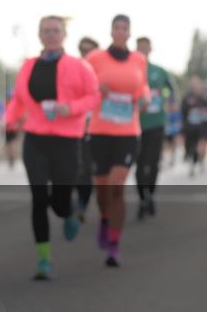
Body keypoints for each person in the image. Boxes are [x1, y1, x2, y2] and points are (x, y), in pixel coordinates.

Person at [5, 16, 100, 280]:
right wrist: (9, 120)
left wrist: (70, 108)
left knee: (58, 202)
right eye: (46, 31)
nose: (50, 35)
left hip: (67, 140)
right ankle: (44, 259)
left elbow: (93, 97)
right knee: (38, 198)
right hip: (35, 138)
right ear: (39, 35)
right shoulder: (28, 65)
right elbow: (18, 99)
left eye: (55, 31)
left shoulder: (79, 67)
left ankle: (68, 213)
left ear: (64, 35)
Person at [85, 15, 149, 267]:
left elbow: (142, 87)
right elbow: (83, 86)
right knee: (101, 190)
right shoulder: (95, 59)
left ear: (129, 33)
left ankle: (114, 244)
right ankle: (103, 217)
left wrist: (143, 98)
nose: (121, 32)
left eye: (125, 28)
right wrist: (96, 90)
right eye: (117, 27)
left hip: (127, 131)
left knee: (116, 185)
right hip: (100, 130)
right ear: (111, 31)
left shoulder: (138, 60)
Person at [134, 37, 176, 220]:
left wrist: (166, 99)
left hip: (157, 123)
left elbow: (171, 91)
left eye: (145, 47)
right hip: (135, 125)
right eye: (140, 47)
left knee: (152, 162)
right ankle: (142, 197)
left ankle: (150, 193)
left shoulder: (159, 71)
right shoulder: (131, 69)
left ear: (150, 49)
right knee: (139, 164)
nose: (143, 50)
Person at [75, 36, 100, 219]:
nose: (86, 54)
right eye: (83, 50)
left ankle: (85, 203)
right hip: (75, 129)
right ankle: (81, 204)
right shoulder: (72, 70)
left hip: (99, 130)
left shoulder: (103, 73)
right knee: (78, 169)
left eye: (90, 50)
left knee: (90, 170)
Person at [180, 75, 207, 177]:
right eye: (192, 85)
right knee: (191, 148)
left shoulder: (205, 97)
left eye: (196, 85)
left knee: (202, 146)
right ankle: (192, 161)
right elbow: (183, 113)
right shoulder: (186, 98)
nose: (194, 87)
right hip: (191, 127)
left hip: (203, 127)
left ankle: (201, 160)